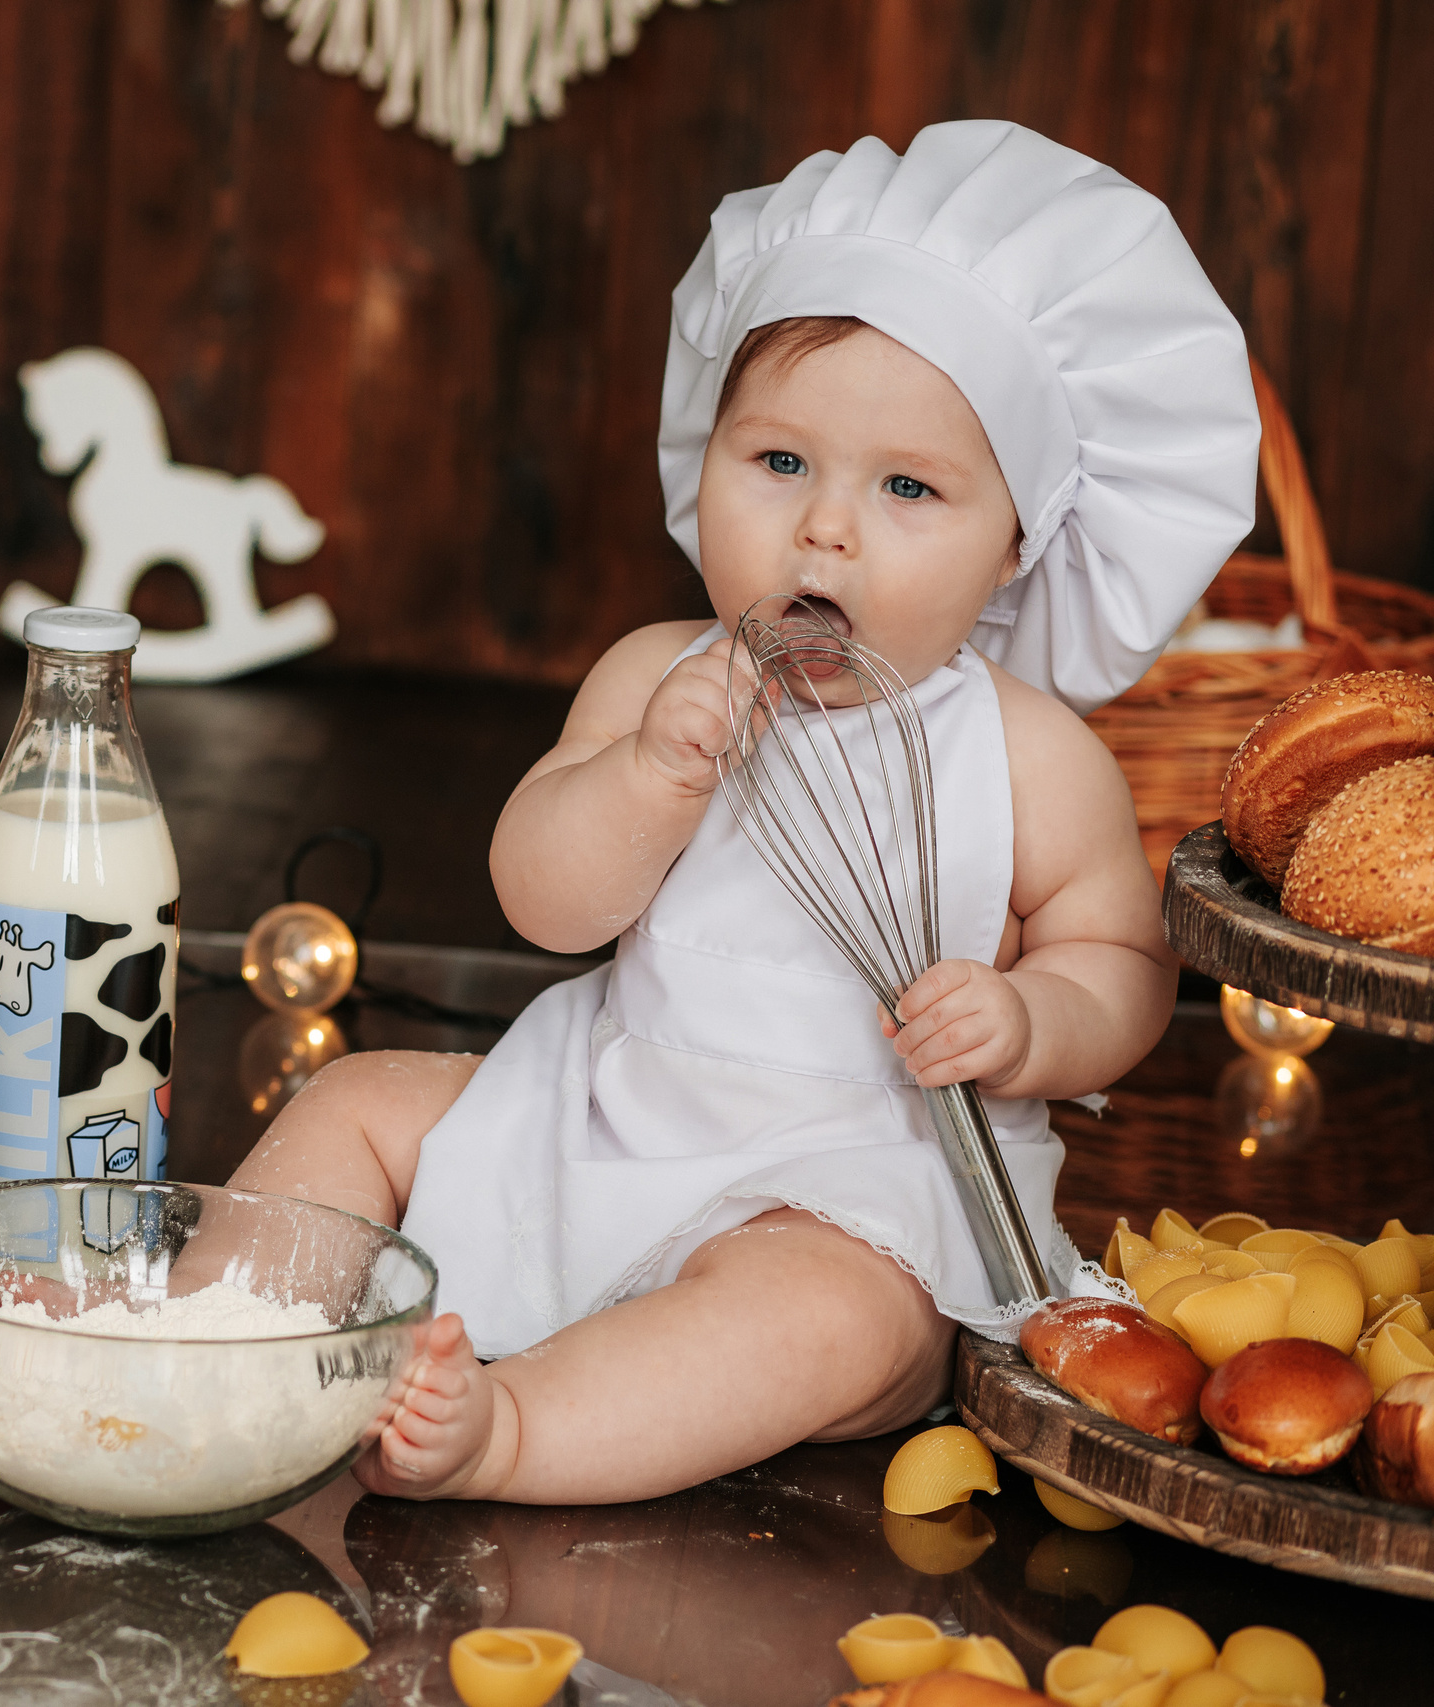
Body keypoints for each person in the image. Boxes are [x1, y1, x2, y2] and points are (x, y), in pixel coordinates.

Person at [232, 122, 1259, 1503]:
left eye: (908, 488)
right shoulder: (656, 676)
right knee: (360, 1099)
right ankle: (210, 1348)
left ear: (1020, 538)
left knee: (833, 1320)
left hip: (848, 1187)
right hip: (600, 1111)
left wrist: (1030, 1021)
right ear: (705, 457)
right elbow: (546, 901)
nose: (826, 529)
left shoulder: (1024, 754)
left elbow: (1124, 972)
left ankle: (516, 1429)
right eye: (779, 463)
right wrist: (647, 779)